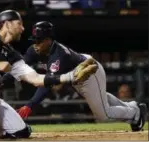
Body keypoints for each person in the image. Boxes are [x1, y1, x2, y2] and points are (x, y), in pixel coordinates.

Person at [0, 10, 94, 138]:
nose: (22, 28)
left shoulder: (11, 54)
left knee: (21, 131)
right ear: (7, 24)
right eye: (19, 23)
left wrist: (69, 77)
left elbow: (36, 78)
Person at [17, 21, 147, 132]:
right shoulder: (34, 50)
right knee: (103, 98)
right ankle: (132, 107)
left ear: (48, 40)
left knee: (103, 114)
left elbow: (47, 84)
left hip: (89, 72)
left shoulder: (59, 54)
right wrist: (2, 77)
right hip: (77, 76)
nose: (36, 44)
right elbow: (19, 67)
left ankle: (134, 113)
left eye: (39, 41)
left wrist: (30, 104)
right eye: (34, 40)